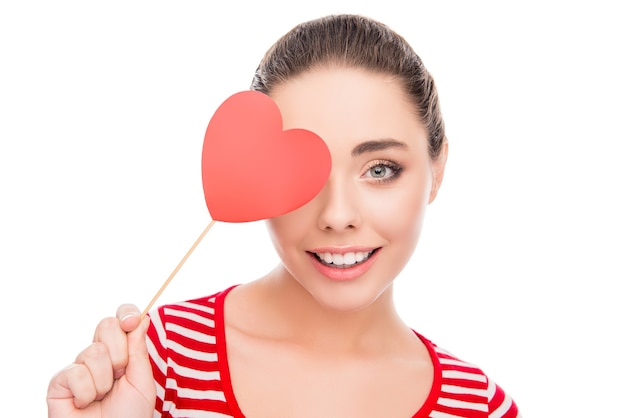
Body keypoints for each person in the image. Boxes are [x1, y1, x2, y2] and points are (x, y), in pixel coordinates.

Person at [47, 14, 520, 418]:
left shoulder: (479, 406)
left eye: (380, 169)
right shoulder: (154, 366)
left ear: (436, 172)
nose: (337, 216)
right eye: (302, 171)